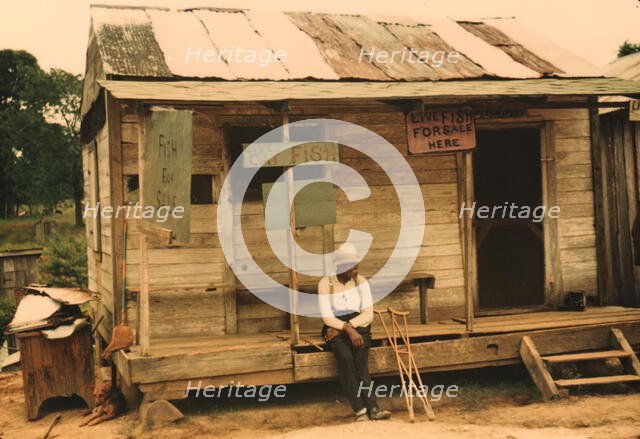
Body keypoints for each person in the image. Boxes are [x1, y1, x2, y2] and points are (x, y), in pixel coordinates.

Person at [318, 243, 391, 422]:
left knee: (361, 365)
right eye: (352, 265)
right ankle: (360, 411)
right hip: (335, 326)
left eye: (357, 263)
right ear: (341, 266)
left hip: (358, 328)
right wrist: (347, 330)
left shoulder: (361, 282)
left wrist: (348, 327)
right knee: (346, 360)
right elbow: (327, 317)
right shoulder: (325, 283)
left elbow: (368, 315)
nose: (357, 267)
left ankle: (373, 409)